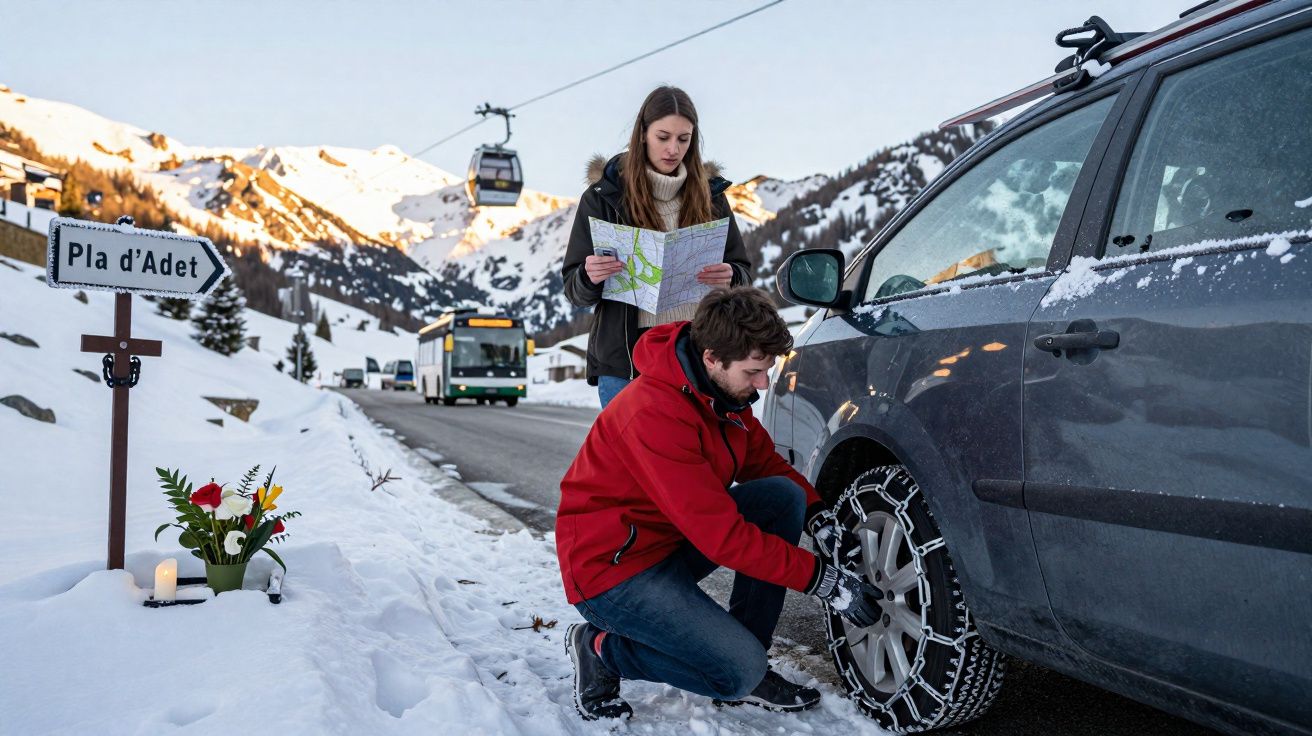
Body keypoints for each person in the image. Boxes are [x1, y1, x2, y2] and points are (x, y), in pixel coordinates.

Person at [555, 287, 884, 721]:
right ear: (711, 358)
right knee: (734, 672)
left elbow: (763, 463)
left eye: (766, 370)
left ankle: (745, 659)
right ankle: (602, 649)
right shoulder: (652, 413)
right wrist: (822, 580)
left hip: (668, 546)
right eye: (753, 372)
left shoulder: (723, 395)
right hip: (614, 570)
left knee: (781, 497)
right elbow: (722, 539)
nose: (762, 384)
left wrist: (817, 513)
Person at [561, 85, 753, 408]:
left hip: (697, 354)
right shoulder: (602, 198)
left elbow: (744, 275)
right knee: (635, 458)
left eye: (683, 139)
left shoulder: (713, 199)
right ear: (642, 134)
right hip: (625, 360)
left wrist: (732, 276)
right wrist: (588, 275)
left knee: (692, 456)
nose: (673, 149)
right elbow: (573, 290)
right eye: (663, 137)